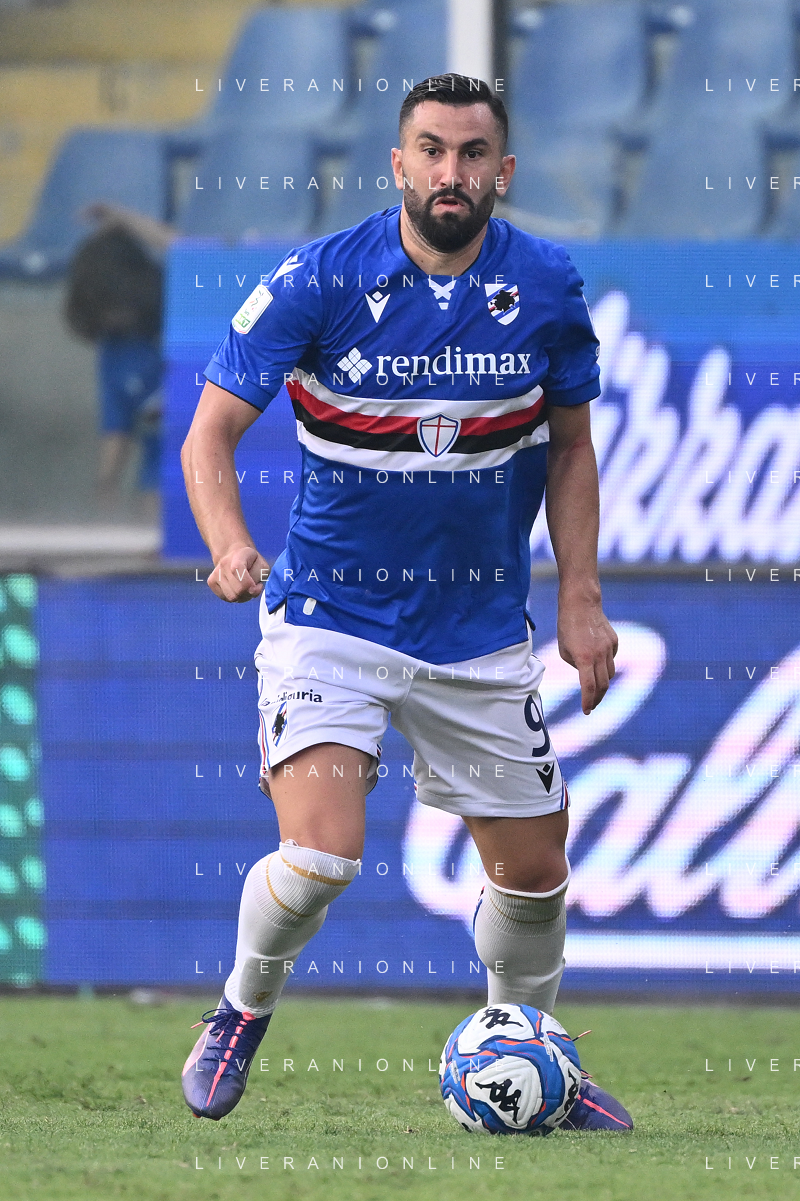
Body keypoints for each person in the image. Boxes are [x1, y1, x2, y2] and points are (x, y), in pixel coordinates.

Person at [180, 75, 631, 1131]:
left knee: (534, 876)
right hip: (330, 620)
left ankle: (531, 1057)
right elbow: (209, 434)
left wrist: (581, 597)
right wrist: (231, 544)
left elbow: (571, 448)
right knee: (319, 857)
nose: (449, 172)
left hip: (477, 634)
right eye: (430, 150)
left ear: (501, 172)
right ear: (397, 164)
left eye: (471, 154)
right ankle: (241, 1009)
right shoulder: (318, 280)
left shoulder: (546, 286)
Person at [64, 203, 175, 518]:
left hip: (182, 459)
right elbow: (116, 425)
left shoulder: (159, 337)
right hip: (164, 463)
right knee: (157, 457)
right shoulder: (115, 353)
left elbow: (186, 248)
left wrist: (124, 218)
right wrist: (106, 486)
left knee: (160, 456)